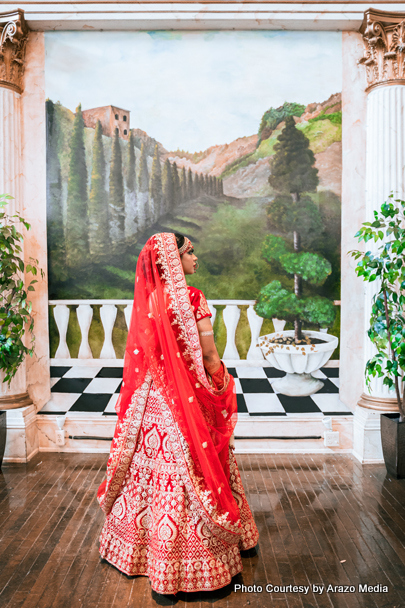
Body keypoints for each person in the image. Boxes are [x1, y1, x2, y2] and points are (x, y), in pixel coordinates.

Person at [97, 232, 259, 594]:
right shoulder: (193, 298)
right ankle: (209, 560)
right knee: (202, 463)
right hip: (189, 400)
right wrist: (219, 384)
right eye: (190, 252)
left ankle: (141, 555)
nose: (195, 258)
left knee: (153, 473)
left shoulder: (153, 298)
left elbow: (147, 354)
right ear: (174, 259)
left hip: (154, 402)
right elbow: (208, 356)